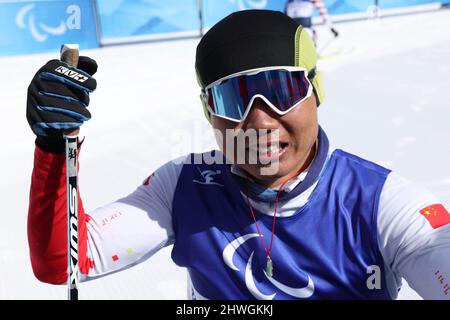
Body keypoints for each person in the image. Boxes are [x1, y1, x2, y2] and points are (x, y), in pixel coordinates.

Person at [26, 10, 450, 300]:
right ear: (209, 113)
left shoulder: (382, 204)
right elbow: (62, 261)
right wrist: (53, 149)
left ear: (316, 92)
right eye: (234, 100)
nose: (262, 123)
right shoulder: (185, 186)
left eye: (282, 91)